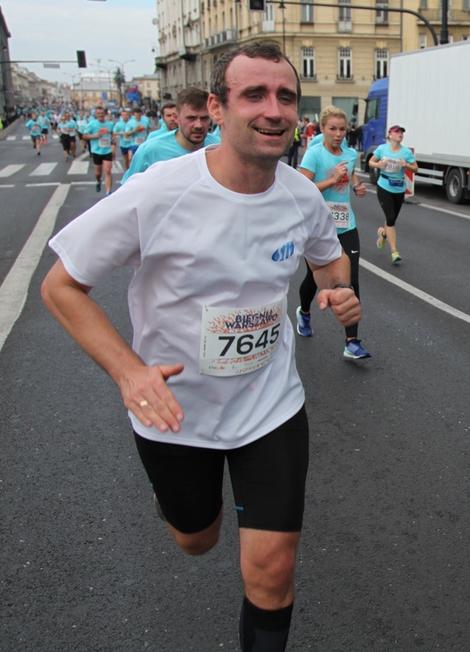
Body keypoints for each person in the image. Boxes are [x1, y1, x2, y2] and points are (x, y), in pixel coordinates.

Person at [40, 40, 359, 652]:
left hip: (270, 406)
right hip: (175, 412)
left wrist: (337, 291)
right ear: (217, 108)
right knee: (196, 539)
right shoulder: (158, 191)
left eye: (285, 97)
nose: (273, 110)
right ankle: (182, 509)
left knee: (272, 569)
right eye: (254, 95)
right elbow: (61, 287)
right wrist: (130, 374)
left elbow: (328, 260)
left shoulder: (301, 194)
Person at [296, 105, 371, 360]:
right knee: (312, 278)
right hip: (319, 227)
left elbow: (351, 177)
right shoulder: (314, 154)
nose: (338, 134)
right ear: (322, 129)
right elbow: (301, 189)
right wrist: (332, 179)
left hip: (345, 224)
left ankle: (352, 342)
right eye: (332, 129)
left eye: (342, 129)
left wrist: (357, 187)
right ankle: (304, 312)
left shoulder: (349, 154)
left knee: (351, 281)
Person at [121, 87, 219, 184]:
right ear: (177, 117)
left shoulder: (219, 146)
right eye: (191, 118)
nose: (198, 125)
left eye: (204, 118)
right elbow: (127, 190)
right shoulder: (150, 151)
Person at [368, 124, 417, 265]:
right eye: (397, 132)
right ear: (390, 135)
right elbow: (371, 162)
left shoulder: (406, 152)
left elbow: (415, 168)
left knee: (392, 220)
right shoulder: (382, 149)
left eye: (402, 132)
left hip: (399, 188)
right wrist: (378, 165)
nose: (400, 134)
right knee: (390, 218)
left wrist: (406, 165)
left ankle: (383, 233)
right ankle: (394, 251)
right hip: (384, 186)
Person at [83, 106, 115, 194]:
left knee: (108, 170)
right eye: (98, 113)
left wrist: (113, 141)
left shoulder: (110, 124)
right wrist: (95, 136)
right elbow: (85, 136)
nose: (100, 115)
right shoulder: (92, 124)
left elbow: (112, 134)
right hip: (97, 151)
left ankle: (108, 191)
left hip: (107, 150)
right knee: (98, 172)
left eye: (102, 113)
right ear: (96, 115)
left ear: (105, 114)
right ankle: (98, 181)